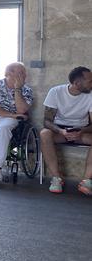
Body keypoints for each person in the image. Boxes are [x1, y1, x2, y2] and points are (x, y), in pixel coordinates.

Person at [38, 66, 92, 195]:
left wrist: (81, 131)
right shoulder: (56, 92)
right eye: (90, 81)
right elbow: (46, 121)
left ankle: (86, 181)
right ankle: (56, 178)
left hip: (82, 131)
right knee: (44, 133)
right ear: (77, 83)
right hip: (60, 131)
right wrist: (61, 132)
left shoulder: (91, 95)